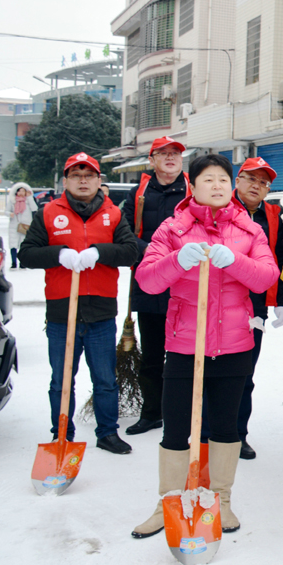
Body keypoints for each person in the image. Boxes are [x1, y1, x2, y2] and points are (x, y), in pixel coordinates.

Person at [131, 154, 279, 538]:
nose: (216, 185)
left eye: (222, 179)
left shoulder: (249, 230)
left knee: (226, 427)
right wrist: (177, 260)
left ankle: (221, 500)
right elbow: (147, 280)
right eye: (208, 179)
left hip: (234, 344)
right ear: (192, 186)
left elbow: (266, 277)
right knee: (176, 428)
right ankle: (169, 502)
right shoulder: (172, 229)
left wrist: (235, 262)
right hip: (185, 344)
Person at [19, 154, 138, 455]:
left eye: (89, 175)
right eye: (76, 175)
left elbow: (129, 251)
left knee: (105, 379)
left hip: (101, 312)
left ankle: (107, 433)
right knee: (61, 380)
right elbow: (27, 254)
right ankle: (62, 434)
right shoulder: (48, 213)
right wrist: (58, 254)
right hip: (62, 313)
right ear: (66, 181)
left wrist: (99, 252)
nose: (83, 180)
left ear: (99, 180)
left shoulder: (113, 214)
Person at [123, 136, 191, 437]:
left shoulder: (193, 190)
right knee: (151, 354)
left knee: (184, 353)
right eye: (163, 153)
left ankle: (184, 413)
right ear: (151, 160)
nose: (170, 157)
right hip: (149, 283)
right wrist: (151, 252)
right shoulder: (138, 194)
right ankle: (151, 413)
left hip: (186, 283)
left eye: (175, 153)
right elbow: (124, 232)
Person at [228, 157, 283, 460]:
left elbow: (279, 259)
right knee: (214, 370)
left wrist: (281, 301)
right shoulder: (221, 208)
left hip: (254, 307)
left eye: (263, 182)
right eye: (251, 178)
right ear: (237, 180)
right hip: (220, 301)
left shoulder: (273, 216)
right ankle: (207, 432)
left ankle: (237, 434)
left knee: (244, 372)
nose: (257, 186)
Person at [6, 181, 33, 269]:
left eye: (23, 191)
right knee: (13, 244)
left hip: (25, 226)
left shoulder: (28, 201)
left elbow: (34, 208)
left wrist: (30, 198)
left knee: (23, 245)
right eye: (19, 191)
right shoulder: (12, 201)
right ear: (16, 192)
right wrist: (10, 214)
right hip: (14, 226)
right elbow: (6, 211)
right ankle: (14, 263)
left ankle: (22, 263)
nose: (21, 193)